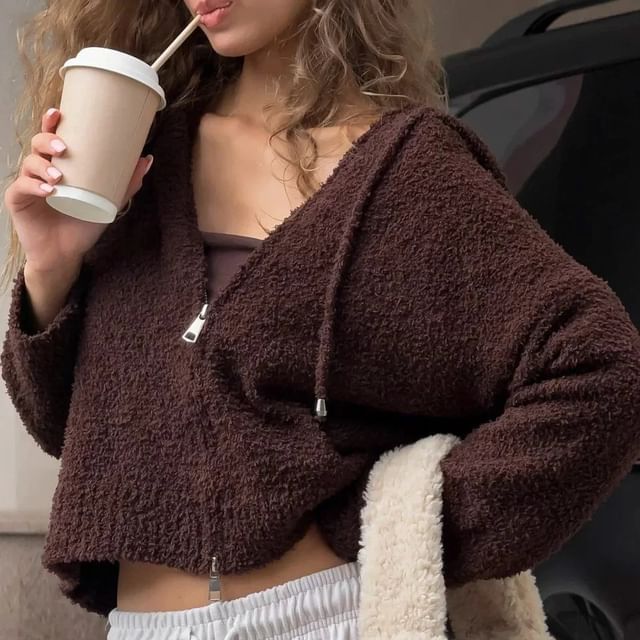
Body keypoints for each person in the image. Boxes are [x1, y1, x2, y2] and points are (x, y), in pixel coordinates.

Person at [2, 1, 640, 638]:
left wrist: (405, 529)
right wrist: (52, 264)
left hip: (325, 616)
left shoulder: (407, 171)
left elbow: (604, 370)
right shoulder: (139, 159)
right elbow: (71, 432)